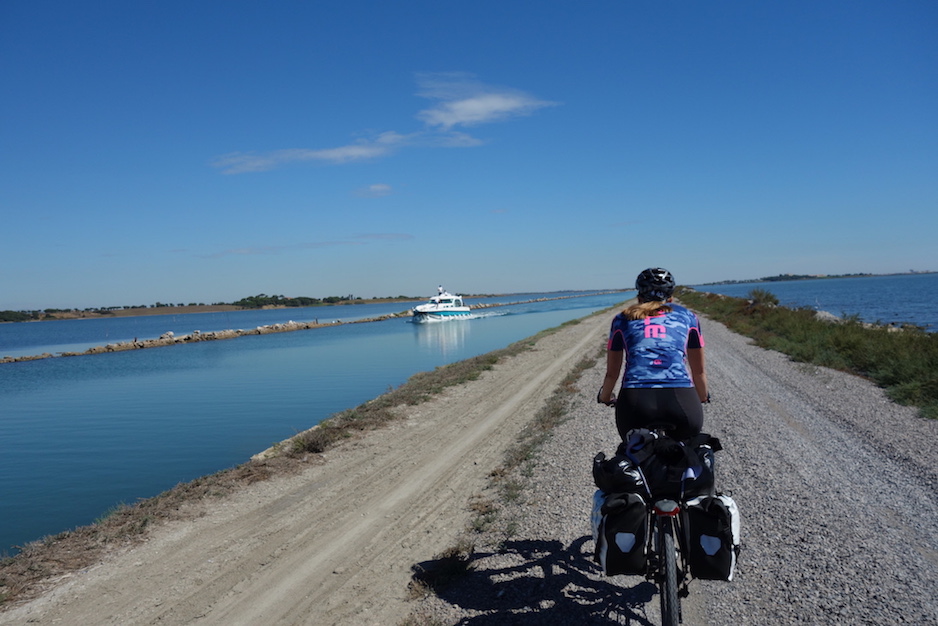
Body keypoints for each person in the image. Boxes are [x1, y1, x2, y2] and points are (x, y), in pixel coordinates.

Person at [598, 267, 709, 441]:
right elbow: (699, 372)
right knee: (689, 454)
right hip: (681, 398)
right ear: (671, 298)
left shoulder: (621, 319)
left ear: (639, 296)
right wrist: (702, 396)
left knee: (632, 454)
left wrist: (605, 397)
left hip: (635, 401)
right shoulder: (688, 317)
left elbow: (612, 373)